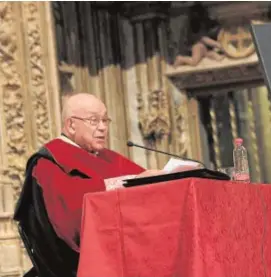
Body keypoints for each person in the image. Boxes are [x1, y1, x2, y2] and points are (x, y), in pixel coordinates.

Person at [13, 92, 196, 277]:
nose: (102, 128)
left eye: (105, 120)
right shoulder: (48, 162)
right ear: (71, 125)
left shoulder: (107, 157)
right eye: (94, 121)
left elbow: (141, 180)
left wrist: (163, 177)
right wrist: (126, 184)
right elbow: (69, 221)